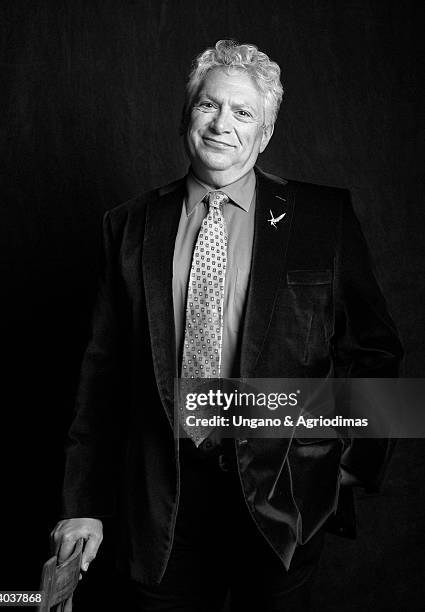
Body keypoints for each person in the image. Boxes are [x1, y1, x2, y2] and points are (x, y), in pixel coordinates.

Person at [51, 40, 403, 611]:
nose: (221, 125)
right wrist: (81, 503)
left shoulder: (321, 220)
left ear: (264, 134)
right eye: (208, 106)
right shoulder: (128, 227)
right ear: (186, 115)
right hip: (163, 501)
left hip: (283, 499)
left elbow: (375, 348)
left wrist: (344, 466)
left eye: (243, 113)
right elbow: (102, 377)